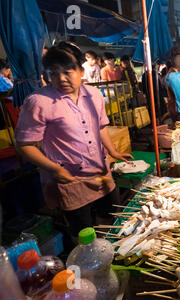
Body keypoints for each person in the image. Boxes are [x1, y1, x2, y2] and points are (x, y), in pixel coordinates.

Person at [14, 42, 133, 245]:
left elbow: (101, 126)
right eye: (53, 73)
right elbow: (23, 144)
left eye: (68, 71)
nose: (61, 78)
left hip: (100, 169)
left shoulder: (94, 95)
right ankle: (89, 263)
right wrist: (54, 169)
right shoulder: (38, 101)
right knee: (82, 231)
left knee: (110, 216)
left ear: (80, 70)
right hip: (69, 177)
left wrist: (113, 151)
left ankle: (106, 250)